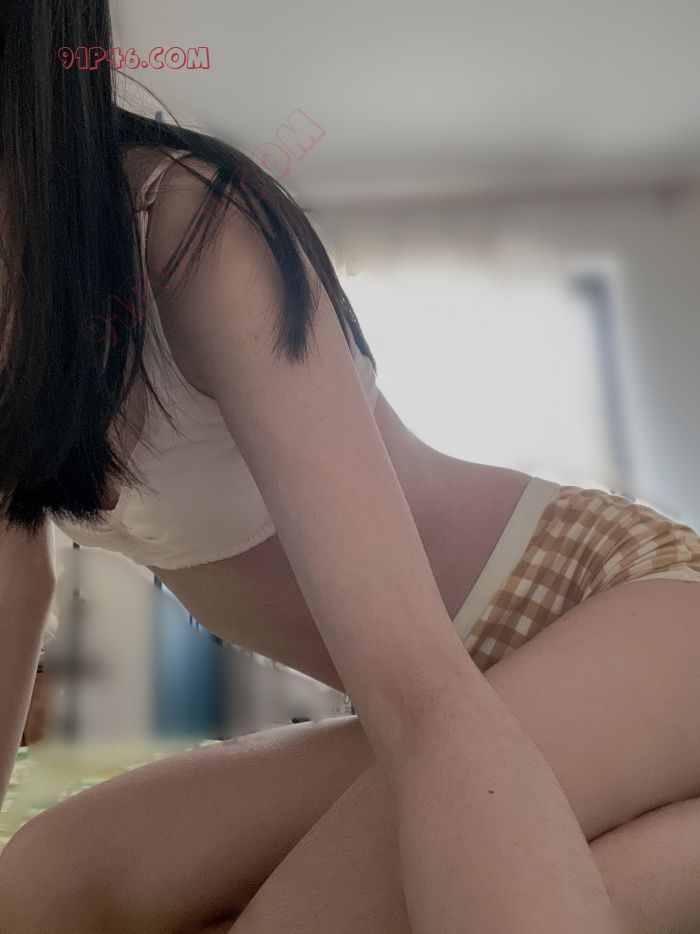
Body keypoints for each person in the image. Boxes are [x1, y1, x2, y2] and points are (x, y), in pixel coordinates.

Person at [1, 3, 699, 932]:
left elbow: (419, 687)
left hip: (596, 603)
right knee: (39, 884)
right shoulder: (21, 308)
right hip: (429, 697)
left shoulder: (186, 226)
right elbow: (14, 584)